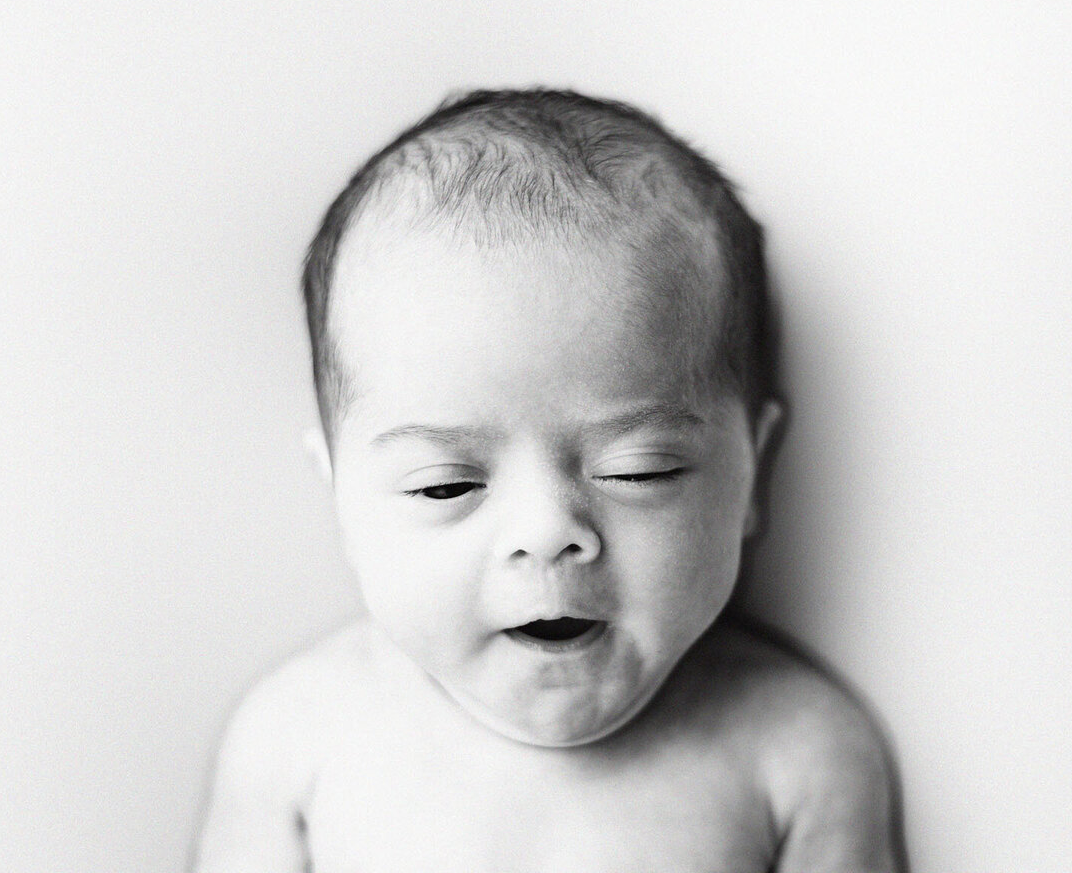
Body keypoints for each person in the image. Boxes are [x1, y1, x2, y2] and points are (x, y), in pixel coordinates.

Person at [193, 88, 903, 872]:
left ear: (754, 474)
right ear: (342, 500)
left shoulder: (797, 752)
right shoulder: (296, 741)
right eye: (445, 486)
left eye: (639, 469)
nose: (546, 532)